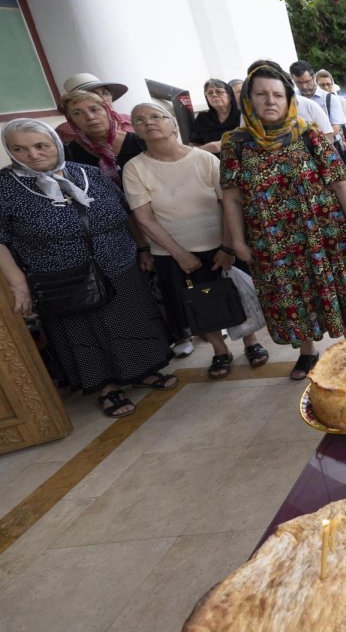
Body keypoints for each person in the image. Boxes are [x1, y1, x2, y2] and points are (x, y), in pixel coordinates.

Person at [0, 119, 176, 417]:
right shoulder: (5, 186)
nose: (32, 154)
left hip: (117, 261)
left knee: (129, 319)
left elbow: (126, 212)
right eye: (20, 149)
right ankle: (107, 387)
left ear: (55, 144)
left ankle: (142, 370)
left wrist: (143, 248)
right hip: (60, 274)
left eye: (40, 146)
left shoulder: (88, 173)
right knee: (83, 331)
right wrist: (17, 281)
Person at [220, 61, 346, 379]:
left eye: (277, 94)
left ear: (289, 99)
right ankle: (307, 352)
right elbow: (232, 197)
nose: (270, 101)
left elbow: (340, 181)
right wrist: (236, 241)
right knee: (292, 296)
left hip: (322, 232)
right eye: (261, 94)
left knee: (337, 286)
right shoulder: (235, 144)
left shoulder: (309, 135)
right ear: (248, 100)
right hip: (273, 242)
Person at [123, 103, 270, 379]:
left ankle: (252, 342)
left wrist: (228, 247)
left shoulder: (205, 160)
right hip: (172, 253)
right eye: (140, 120)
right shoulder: (135, 168)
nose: (149, 122)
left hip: (220, 243)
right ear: (136, 131)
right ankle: (219, 350)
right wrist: (179, 254)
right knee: (195, 303)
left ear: (174, 124)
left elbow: (229, 204)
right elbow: (145, 219)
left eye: (157, 116)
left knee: (238, 295)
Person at [61, 89, 146, 186]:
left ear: (107, 112)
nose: (90, 117)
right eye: (77, 113)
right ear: (71, 121)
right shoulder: (69, 153)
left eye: (94, 109)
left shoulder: (141, 141)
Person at [315, 69, 346, 220]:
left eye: (328, 84)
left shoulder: (341, 101)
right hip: (330, 146)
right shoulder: (316, 102)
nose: (326, 87)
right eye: (322, 85)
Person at [56, 73, 134, 149]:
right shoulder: (64, 131)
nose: (103, 99)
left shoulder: (131, 120)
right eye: (93, 95)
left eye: (105, 93)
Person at [291, 60, 346, 140]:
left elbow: (335, 128)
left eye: (307, 81)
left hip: (328, 146)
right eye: (299, 83)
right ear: (292, 79)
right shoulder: (292, 99)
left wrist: (315, 145)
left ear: (313, 77)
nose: (304, 86)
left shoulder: (330, 98)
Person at [191, 79, 241, 154]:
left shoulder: (242, 116)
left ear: (230, 95)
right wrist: (206, 148)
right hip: (212, 163)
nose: (214, 95)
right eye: (209, 93)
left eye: (219, 91)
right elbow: (191, 147)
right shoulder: (203, 118)